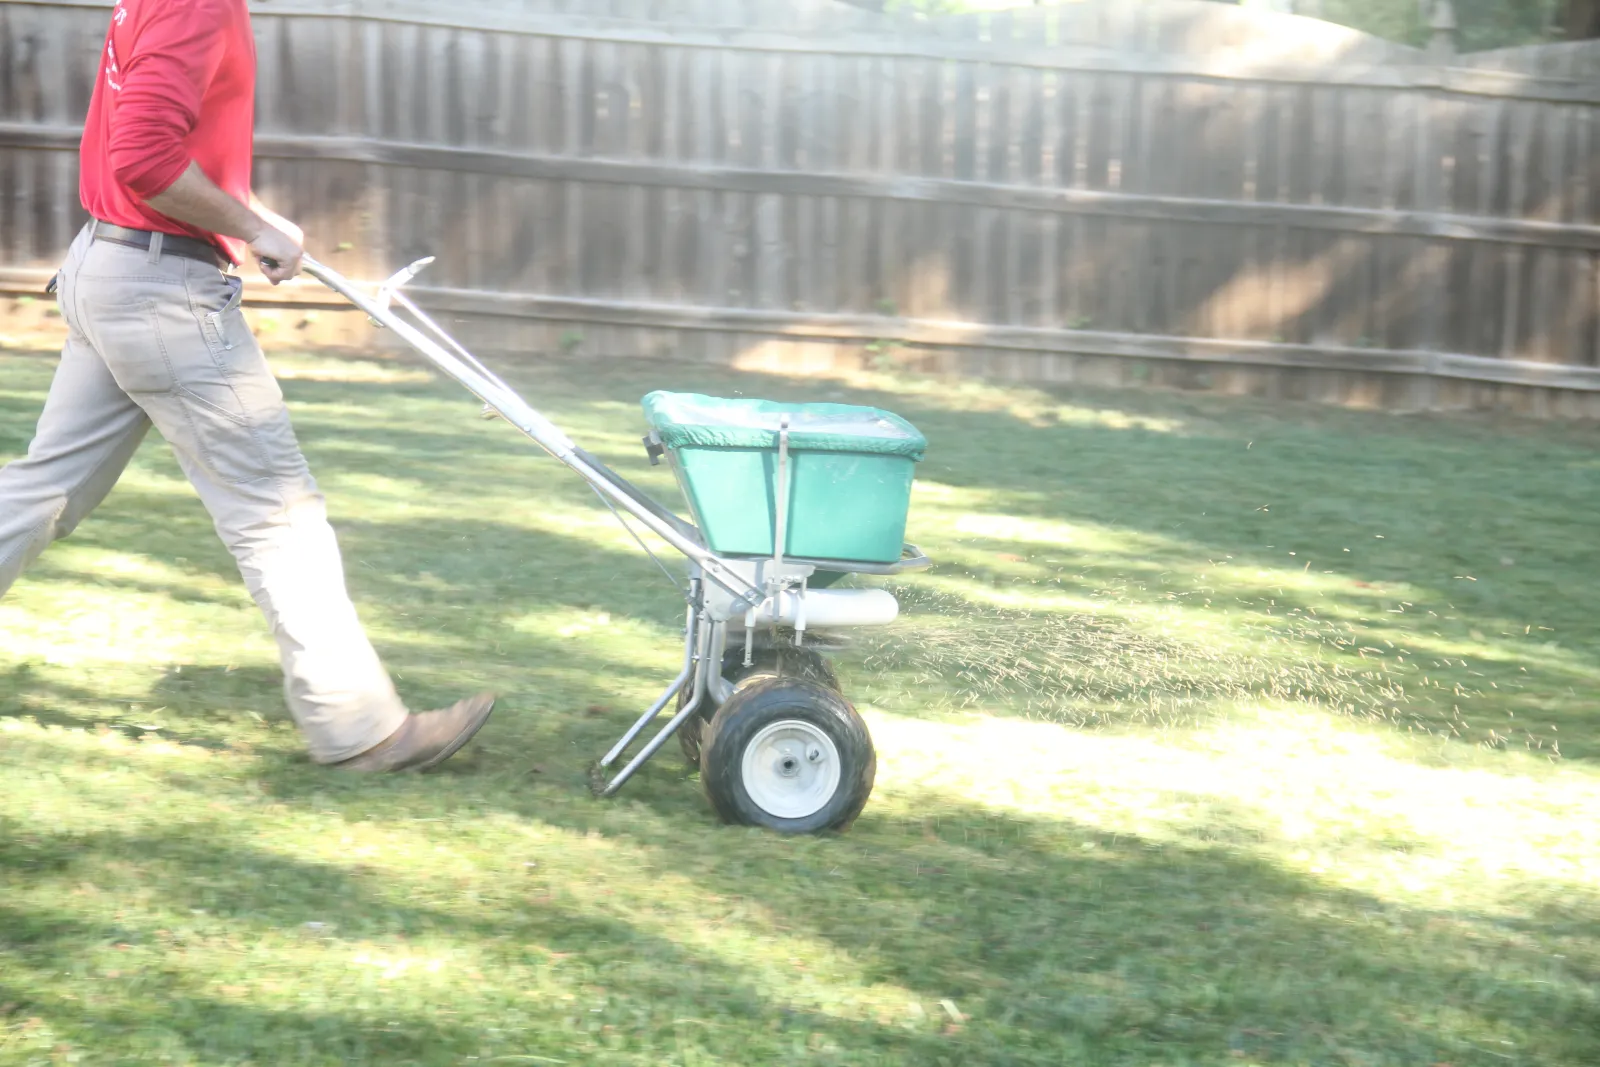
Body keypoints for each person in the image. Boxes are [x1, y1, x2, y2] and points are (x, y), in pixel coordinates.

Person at [0, 0, 494, 772]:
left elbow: (159, 152)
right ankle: (362, 729)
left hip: (110, 262)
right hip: (159, 290)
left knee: (41, 488)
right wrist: (252, 228)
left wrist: (251, 217)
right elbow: (144, 159)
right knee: (277, 511)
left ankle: (357, 724)